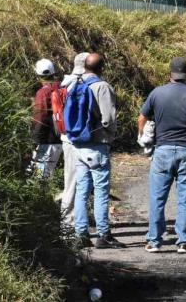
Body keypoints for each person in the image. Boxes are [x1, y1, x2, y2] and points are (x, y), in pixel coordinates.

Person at [138, 57, 186, 254]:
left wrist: (144, 138)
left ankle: (154, 241)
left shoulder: (157, 93)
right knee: (185, 198)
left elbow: (142, 118)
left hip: (162, 151)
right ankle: (184, 241)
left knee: (157, 197)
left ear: (170, 73)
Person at [72, 53, 125, 249]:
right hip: (97, 145)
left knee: (82, 192)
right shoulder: (102, 86)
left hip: (78, 145)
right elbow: (108, 119)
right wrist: (110, 136)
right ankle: (103, 235)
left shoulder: (75, 84)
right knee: (101, 192)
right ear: (102, 68)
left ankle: (81, 234)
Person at [59, 52, 89, 225]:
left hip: (66, 138)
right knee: (74, 183)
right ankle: (68, 224)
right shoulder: (82, 84)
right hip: (79, 140)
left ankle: (73, 222)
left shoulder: (65, 83)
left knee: (71, 181)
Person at [28, 59, 62, 179]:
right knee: (48, 173)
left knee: (39, 175)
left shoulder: (43, 92)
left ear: (38, 75)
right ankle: (45, 194)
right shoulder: (62, 87)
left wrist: (35, 139)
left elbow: (40, 117)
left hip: (45, 141)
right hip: (60, 138)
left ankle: (40, 196)